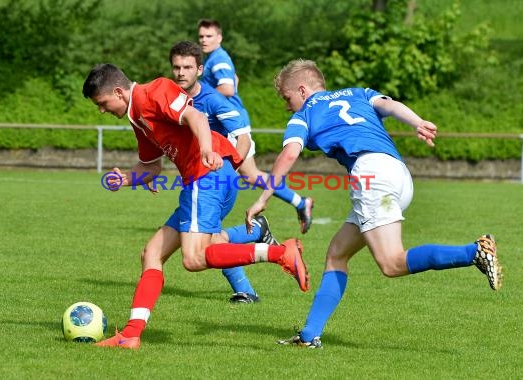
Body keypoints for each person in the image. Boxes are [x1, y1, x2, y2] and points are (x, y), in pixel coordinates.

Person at [245, 59, 503, 348]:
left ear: (302, 90)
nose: (287, 105)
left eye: (287, 97)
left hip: (370, 176)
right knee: (337, 253)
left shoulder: (304, 115)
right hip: (397, 171)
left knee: (392, 263)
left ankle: (474, 252)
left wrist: (263, 198)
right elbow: (390, 106)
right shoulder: (357, 92)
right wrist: (417, 122)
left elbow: (289, 155)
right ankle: (309, 335)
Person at [82, 63, 310, 349]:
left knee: (193, 259)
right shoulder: (136, 116)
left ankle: (280, 252)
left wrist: (204, 148)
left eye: (102, 103)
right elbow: (151, 168)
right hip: (208, 178)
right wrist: (125, 179)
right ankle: (131, 334)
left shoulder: (154, 91)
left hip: (206, 175)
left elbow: (196, 116)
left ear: (118, 91)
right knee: (152, 252)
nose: (102, 110)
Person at [169, 40, 280, 304]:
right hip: (195, 178)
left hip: (214, 179)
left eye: (187, 67)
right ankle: (253, 244)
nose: (181, 72)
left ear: (199, 69)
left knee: (201, 247)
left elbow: (243, 136)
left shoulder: (214, 100)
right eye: (176, 67)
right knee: (213, 238)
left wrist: (230, 164)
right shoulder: (172, 98)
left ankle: (258, 251)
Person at [197, 19, 314, 234]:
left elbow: (228, 88)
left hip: (230, 125)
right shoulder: (216, 59)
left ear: (219, 37)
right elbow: (234, 81)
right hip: (232, 122)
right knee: (250, 175)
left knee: (217, 170)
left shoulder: (218, 59)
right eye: (201, 36)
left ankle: (204, 222)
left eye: (209, 36)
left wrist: (200, 94)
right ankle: (300, 202)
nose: (204, 40)